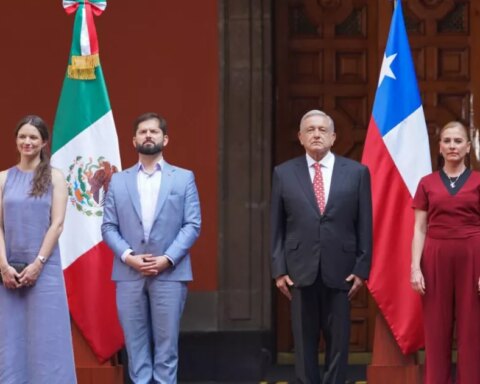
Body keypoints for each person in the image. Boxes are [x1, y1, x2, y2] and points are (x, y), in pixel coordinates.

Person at [271, 109, 372, 384]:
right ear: (300, 137)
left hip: (342, 272)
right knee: (303, 345)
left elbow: (364, 224)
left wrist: (362, 269)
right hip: (299, 271)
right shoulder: (283, 173)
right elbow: (276, 226)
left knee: (339, 344)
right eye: (310, 130)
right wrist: (278, 269)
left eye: (322, 130)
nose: (316, 134)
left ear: (333, 137)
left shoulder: (357, 173)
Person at [102, 112, 201, 384]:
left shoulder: (183, 178)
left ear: (165, 139)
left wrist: (167, 259)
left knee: (166, 347)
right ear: (133, 140)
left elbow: (192, 224)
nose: (148, 135)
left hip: (170, 273)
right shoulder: (119, 181)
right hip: (128, 273)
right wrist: (129, 257)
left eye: (154, 131)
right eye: (142, 132)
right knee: (135, 347)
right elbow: (108, 227)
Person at [0, 115, 77, 384]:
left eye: (33, 137)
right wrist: (3, 267)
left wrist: (38, 264)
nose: (27, 142)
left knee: (47, 336)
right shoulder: (2, 178)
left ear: (44, 142)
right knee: (9, 337)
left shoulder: (55, 178)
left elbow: (56, 224)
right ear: (16, 141)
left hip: (45, 272)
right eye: (22, 136)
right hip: (7, 274)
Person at [411, 121, 480, 384]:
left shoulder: (477, 181)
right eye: (447, 141)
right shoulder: (427, 183)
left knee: (471, 329)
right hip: (435, 256)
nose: (453, 146)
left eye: (458, 141)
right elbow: (419, 227)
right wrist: (415, 267)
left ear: (468, 146)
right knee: (436, 329)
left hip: (473, 256)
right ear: (439, 147)